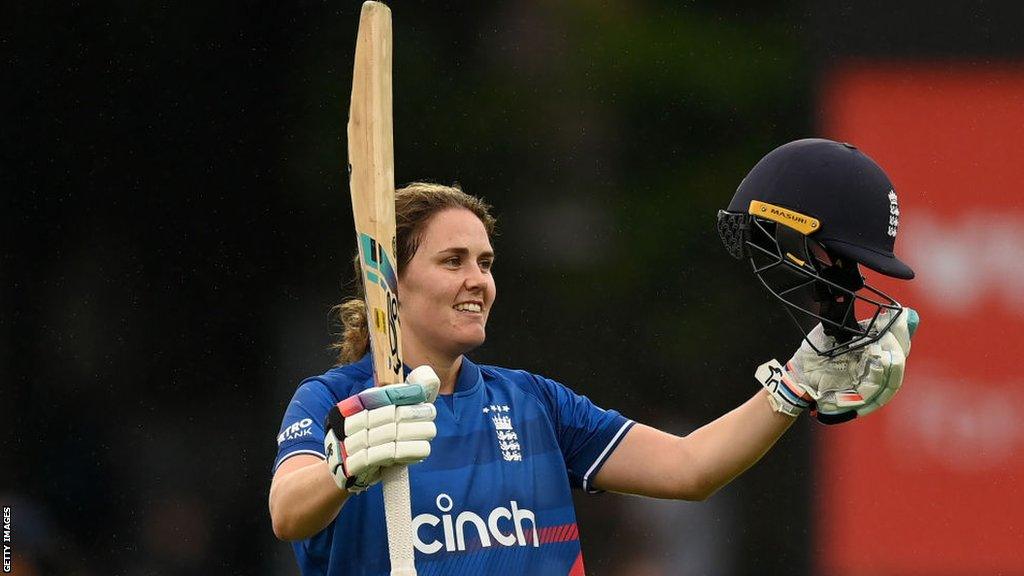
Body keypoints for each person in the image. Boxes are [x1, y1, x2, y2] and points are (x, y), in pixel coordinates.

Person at [269, 139, 919, 575]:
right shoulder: (333, 399)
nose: (479, 281)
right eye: (452, 261)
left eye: (487, 263)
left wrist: (798, 385)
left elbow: (690, 469)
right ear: (391, 282)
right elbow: (287, 511)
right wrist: (347, 466)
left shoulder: (533, 402)